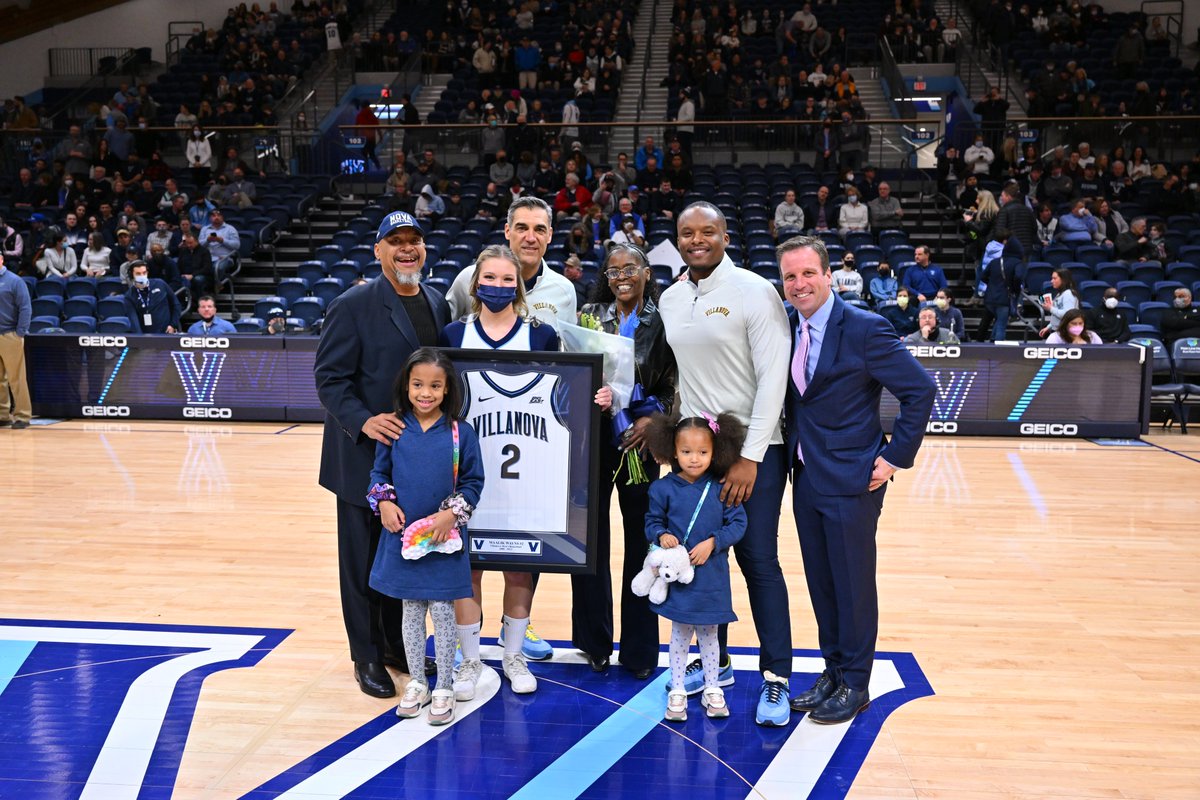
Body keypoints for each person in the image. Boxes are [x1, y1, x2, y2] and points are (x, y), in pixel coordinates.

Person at [778, 235, 935, 724]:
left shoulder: (866, 328)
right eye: (789, 276)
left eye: (808, 273)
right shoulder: (786, 325)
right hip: (803, 474)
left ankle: (857, 682)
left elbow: (920, 390)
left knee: (853, 585)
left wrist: (893, 459)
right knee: (823, 583)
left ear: (829, 275)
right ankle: (832, 670)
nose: (799, 284)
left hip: (853, 478)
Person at [658, 203, 793, 727]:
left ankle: (777, 679)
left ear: (725, 235)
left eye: (707, 232)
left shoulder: (755, 291)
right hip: (700, 454)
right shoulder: (671, 297)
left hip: (755, 453)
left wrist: (752, 457)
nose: (697, 240)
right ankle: (721, 664)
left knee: (758, 562)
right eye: (687, 232)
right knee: (703, 561)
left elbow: (774, 378)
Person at [315, 210, 452, 699]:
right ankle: (366, 656)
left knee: (399, 556)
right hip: (359, 459)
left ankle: (396, 645)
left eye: (414, 240)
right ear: (379, 250)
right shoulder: (352, 304)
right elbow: (329, 379)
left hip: (411, 464)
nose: (407, 249)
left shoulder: (436, 302)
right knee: (359, 565)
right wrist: (364, 420)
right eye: (396, 241)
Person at [438, 245, 560, 697]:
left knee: (519, 567)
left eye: (509, 280)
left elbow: (562, 396)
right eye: (490, 277)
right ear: (475, 284)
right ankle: (470, 660)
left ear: (520, 285)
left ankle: (512, 654)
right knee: (466, 567)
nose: (499, 286)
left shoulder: (541, 335)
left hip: (525, 471)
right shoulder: (453, 333)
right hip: (465, 470)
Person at [367, 348, 485, 725]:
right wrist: (384, 503)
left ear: (448, 389)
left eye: (435, 385)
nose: (425, 392)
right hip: (405, 541)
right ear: (406, 385)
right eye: (418, 384)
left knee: (443, 612)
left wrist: (452, 513)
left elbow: (473, 481)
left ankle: (446, 685)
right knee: (411, 611)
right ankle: (417, 681)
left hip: (444, 542)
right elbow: (377, 475)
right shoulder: (394, 429)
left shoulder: (460, 433)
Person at [576, 244, 676, 677]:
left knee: (642, 543)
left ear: (646, 273)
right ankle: (594, 643)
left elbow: (675, 382)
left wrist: (654, 420)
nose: (621, 275)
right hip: (594, 441)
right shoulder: (589, 314)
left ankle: (639, 651)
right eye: (613, 269)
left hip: (641, 443)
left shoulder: (664, 319)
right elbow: (573, 371)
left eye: (629, 268)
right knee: (590, 540)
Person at [643, 412, 748, 722]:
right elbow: (652, 522)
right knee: (678, 635)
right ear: (673, 451)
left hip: (712, 577)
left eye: (703, 452)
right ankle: (677, 688)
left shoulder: (721, 487)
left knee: (710, 636)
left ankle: (712, 686)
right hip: (680, 580)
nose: (694, 459)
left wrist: (714, 542)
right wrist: (661, 535)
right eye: (686, 452)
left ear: (716, 452)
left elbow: (739, 522)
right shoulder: (662, 489)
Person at [446, 197, 576, 328]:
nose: (530, 238)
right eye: (522, 228)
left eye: (539, 230)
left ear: (550, 235)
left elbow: (568, 346)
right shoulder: (468, 279)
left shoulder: (565, 290)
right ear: (507, 231)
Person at [0, 255, 32, 429]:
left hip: (10, 334)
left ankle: (22, 415)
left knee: (16, 378)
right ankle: (2, 414)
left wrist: (20, 332)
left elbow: (25, 307)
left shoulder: (14, 281)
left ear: (1, 259)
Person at [122, 261, 181, 334]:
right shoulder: (129, 296)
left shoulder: (160, 284)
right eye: (138, 274)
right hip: (148, 336)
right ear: (132, 275)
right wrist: (141, 340)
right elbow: (134, 321)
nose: (142, 276)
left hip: (167, 332)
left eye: (144, 273)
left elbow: (176, 304)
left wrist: (173, 325)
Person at [1040, 267, 1079, 338]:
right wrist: (1049, 326)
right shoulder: (1060, 294)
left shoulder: (1068, 294)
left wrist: (1050, 308)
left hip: (1066, 333)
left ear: (1063, 280)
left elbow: (1067, 315)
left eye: (1054, 278)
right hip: (1058, 331)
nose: (1051, 281)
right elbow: (1057, 315)